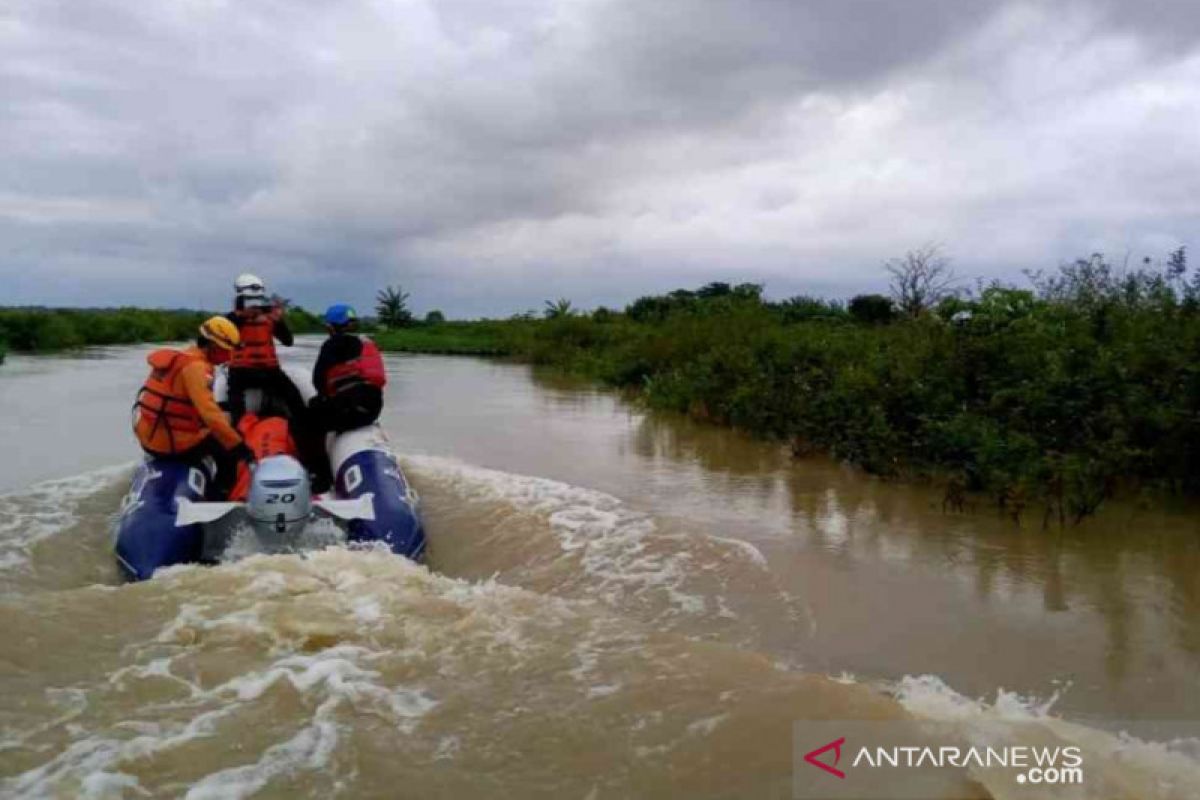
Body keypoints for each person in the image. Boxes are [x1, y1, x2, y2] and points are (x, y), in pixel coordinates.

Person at [132, 317, 255, 497]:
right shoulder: (197, 369)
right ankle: (221, 497)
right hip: (173, 445)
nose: (228, 357)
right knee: (227, 453)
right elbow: (210, 415)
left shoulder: (180, 358)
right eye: (225, 351)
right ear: (213, 346)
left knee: (222, 424)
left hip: (149, 439)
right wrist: (239, 447)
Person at [308, 304, 387, 488]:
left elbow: (319, 382)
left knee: (308, 422)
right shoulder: (366, 343)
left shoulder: (331, 345)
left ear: (330, 326)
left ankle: (321, 478)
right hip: (373, 410)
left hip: (350, 411)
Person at [224, 273, 307, 426]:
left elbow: (288, 341)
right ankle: (237, 431)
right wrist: (242, 316)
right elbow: (222, 337)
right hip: (241, 370)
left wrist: (279, 321)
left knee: (293, 396)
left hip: (269, 370)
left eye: (256, 301)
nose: (254, 305)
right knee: (234, 400)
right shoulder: (230, 319)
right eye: (249, 301)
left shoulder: (270, 318)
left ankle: (303, 430)